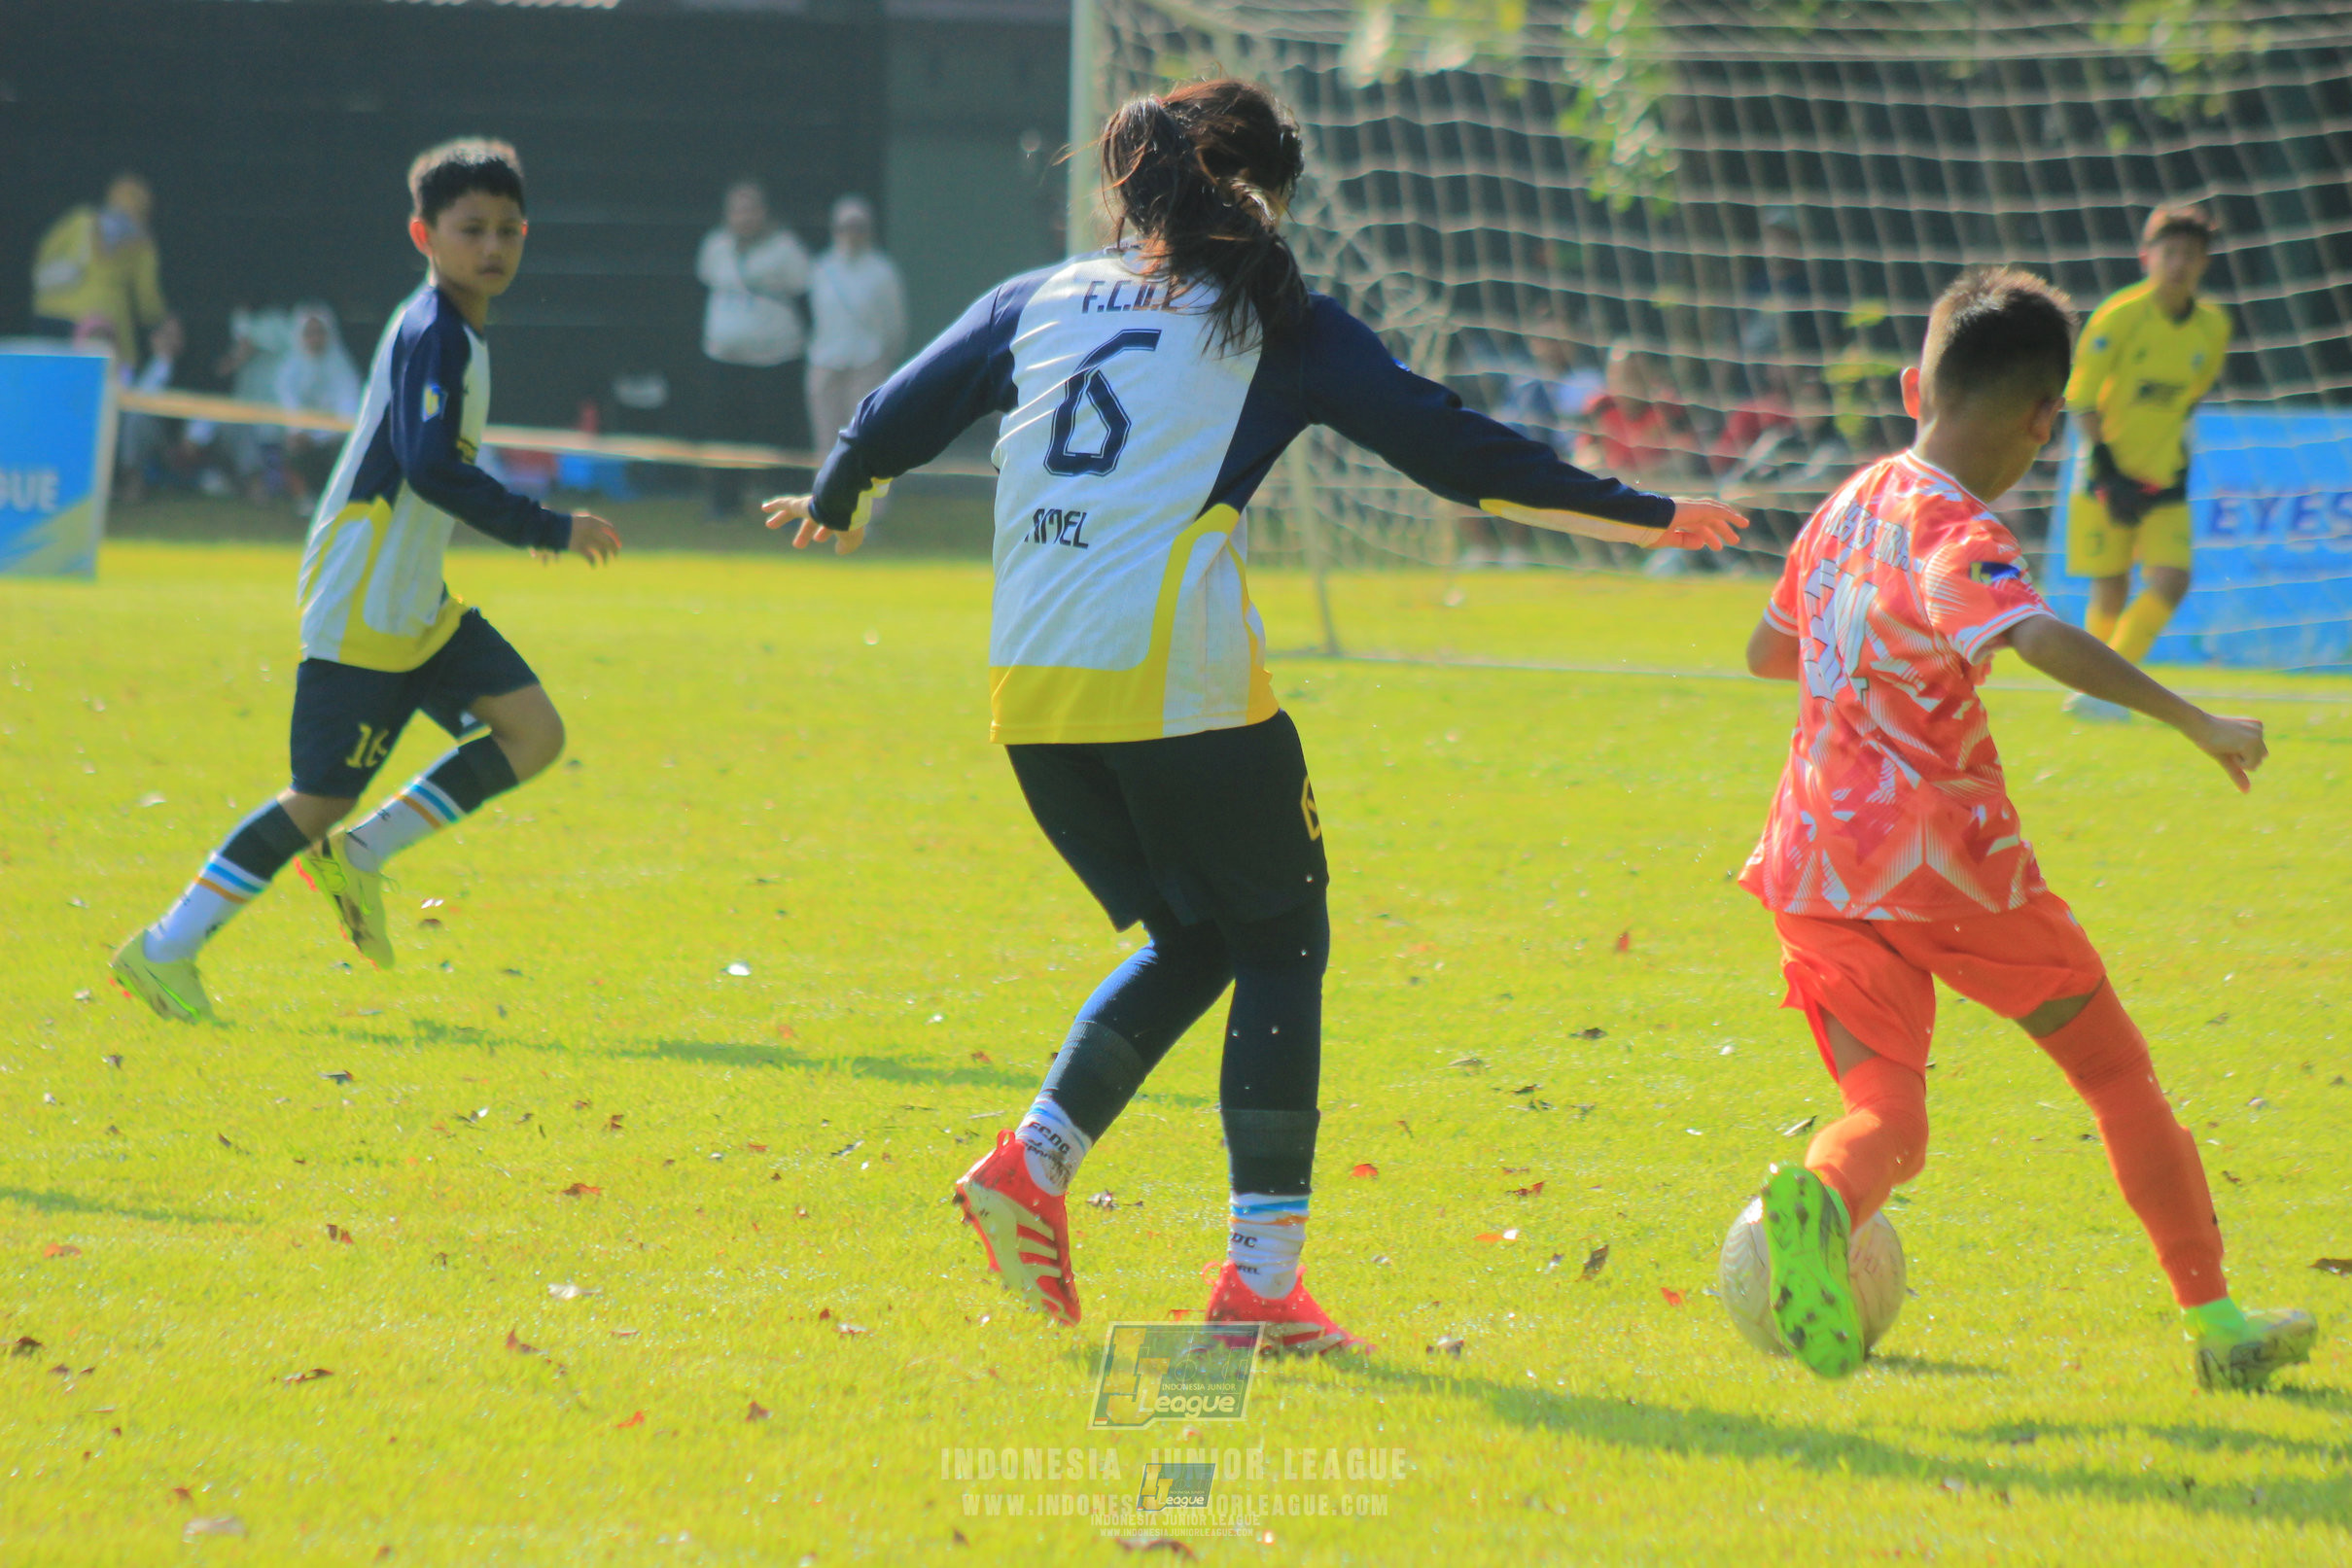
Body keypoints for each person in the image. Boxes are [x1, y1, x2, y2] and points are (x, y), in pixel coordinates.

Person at [760, 80, 1743, 1347]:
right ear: (1265, 198)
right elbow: (1458, 458)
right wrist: (1651, 511)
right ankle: (1259, 1290)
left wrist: (838, 492)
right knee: (1279, 942)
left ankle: (1031, 1165)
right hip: (1173, 683)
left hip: (1033, 692)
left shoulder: (1040, 297)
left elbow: (896, 409)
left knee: (1197, 938)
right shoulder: (1276, 320)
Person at [1737, 265, 2314, 1390]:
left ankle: (1822, 1196)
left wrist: (1858, 663)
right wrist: (2193, 718)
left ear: (1918, 385)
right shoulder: (1959, 527)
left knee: (1886, 1118)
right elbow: (2035, 634)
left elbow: (1766, 650)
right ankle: (2218, 1324)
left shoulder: (1846, 502)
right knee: (2114, 1074)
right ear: (2047, 418)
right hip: (1952, 872)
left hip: (1813, 859)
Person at [110, 139, 621, 1023]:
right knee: (317, 796)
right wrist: (545, 526)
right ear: (423, 233)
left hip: (411, 593)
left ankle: (364, 853)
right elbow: (428, 466)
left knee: (532, 731)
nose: (491, 246)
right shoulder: (437, 334)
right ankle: (165, 947)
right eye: (470, 230)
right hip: (366, 592)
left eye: (506, 229)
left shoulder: (453, 326)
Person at [2062, 204, 2230, 720]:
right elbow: (2082, 397)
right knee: (2110, 586)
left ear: (2204, 264)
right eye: (2170, 252)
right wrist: (2108, 468)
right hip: (2104, 474)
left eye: (2191, 255)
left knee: (2172, 579)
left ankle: (2104, 689)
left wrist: (2171, 458)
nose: (2179, 263)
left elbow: (2189, 400)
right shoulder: (2119, 316)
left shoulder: (2212, 327)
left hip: (2165, 479)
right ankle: (2096, 691)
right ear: (2146, 257)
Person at [696, 178, 811, 520]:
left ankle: (789, 507)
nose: (744, 217)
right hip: (724, 357)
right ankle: (724, 503)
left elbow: (805, 288)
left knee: (782, 434)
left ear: (764, 212)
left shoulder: (787, 248)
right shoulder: (715, 246)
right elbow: (706, 281)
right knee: (724, 433)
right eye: (737, 210)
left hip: (776, 359)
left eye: (751, 209)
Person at [805, 195, 906, 466]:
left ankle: (873, 504)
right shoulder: (821, 268)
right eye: (845, 227)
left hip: (868, 362)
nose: (851, 234)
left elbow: (894, 322)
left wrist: (884, 357)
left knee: (868, 436)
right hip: (825, 361)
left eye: (858, 227)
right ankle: (827, 501)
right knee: (826, 440)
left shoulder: (883, 271)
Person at [34, 174, 174, 358]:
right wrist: (161, 319)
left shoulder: (81, 220)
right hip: (99, 321)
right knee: (93, 380)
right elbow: (147, 297)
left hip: (50, 311)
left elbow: (46, 250)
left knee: (47, 376)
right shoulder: (142, 245)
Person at [272, 303, 364, 512]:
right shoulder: (288, 369)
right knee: (292, 449)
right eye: (309, 333)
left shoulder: (342, 366)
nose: (315, 338)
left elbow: (349, 405)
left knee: (346, 449)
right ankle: (304, 499)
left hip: (334, 436)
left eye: (319, 332)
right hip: (303, 435)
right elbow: (288, 406)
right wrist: (300, 431)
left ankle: (340, 500)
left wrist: (328, 433)